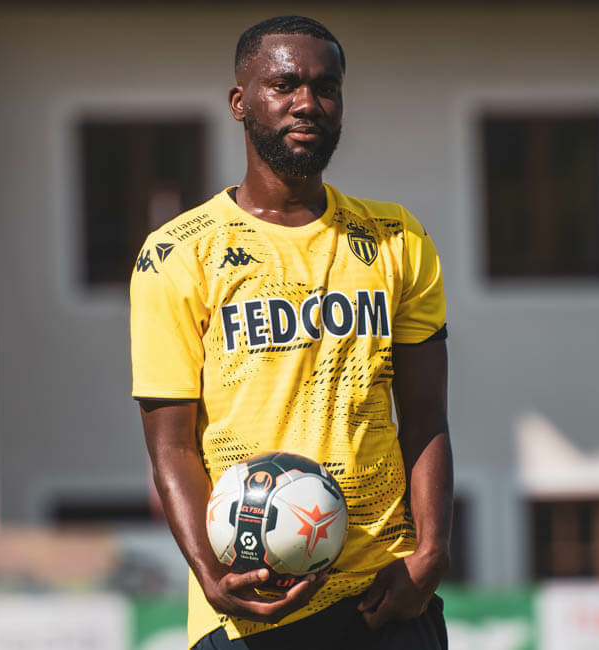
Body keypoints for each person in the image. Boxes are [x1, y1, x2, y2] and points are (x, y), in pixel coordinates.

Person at [130, 15, 452, 650]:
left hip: (384, 596)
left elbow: (426, 417)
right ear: (239, 102)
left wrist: (433, 552)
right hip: (251, 603)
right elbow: (172, 449)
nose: (308, 102)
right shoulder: (177, 254)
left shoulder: (397, 238)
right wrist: (212, 575)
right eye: (284, 85)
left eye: (326, 88)